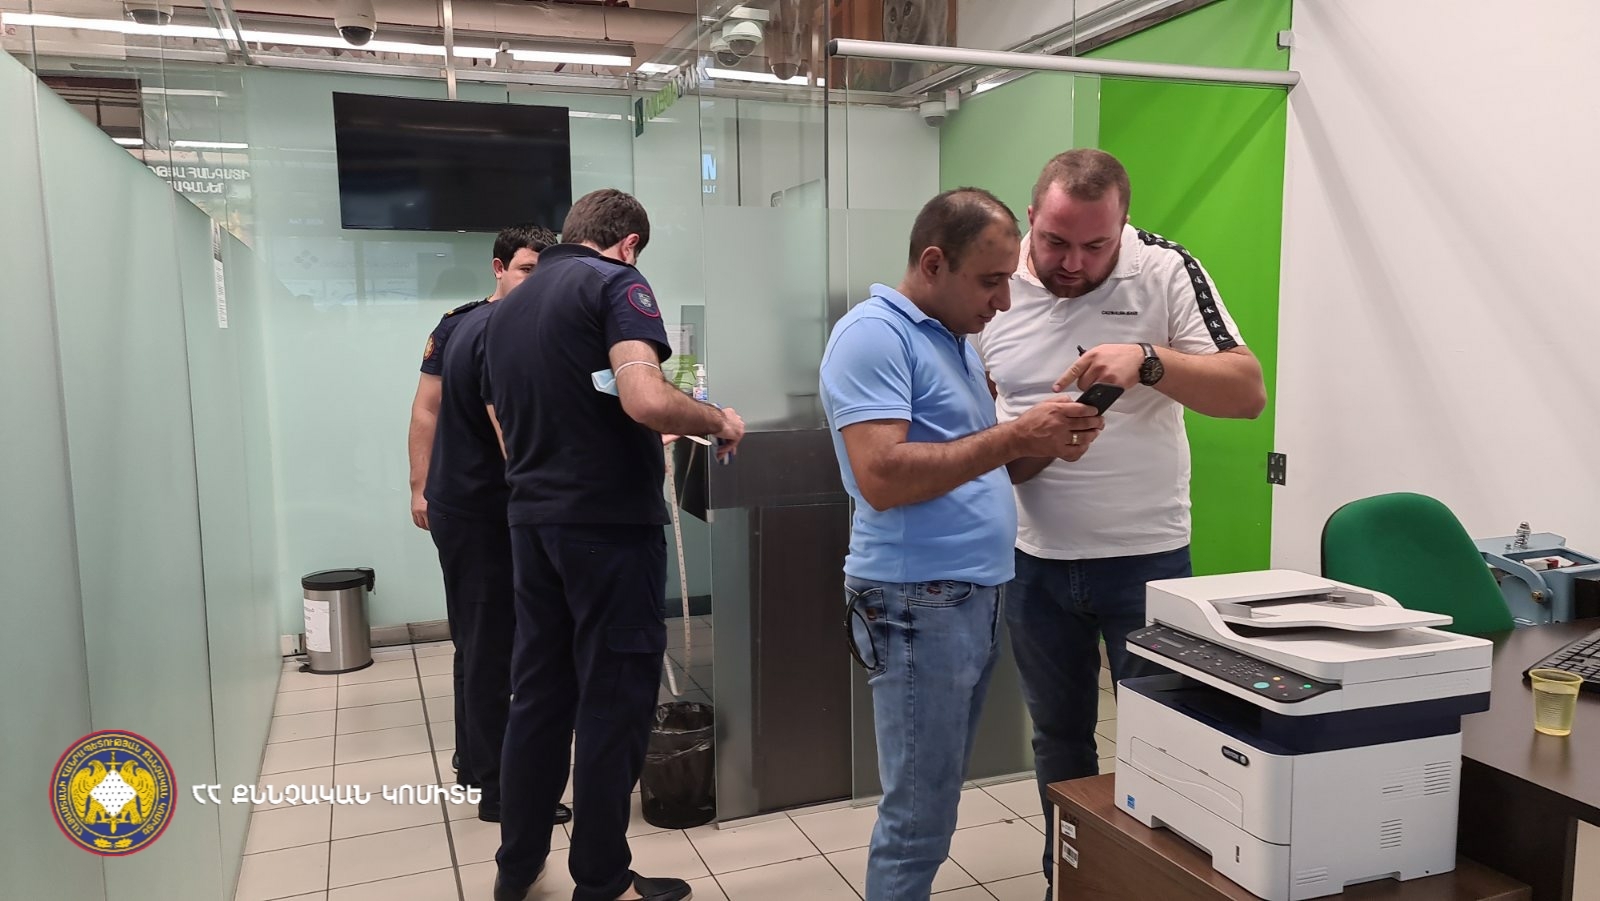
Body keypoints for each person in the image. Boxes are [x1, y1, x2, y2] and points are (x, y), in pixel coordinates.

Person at [973, 149, 1267, 891]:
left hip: (1145, 560)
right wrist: (1027, 444)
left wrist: (1149, 360)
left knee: (1164, 743)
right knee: (1058, 739)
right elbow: (972, 423)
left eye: (1095, 245)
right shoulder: (995, 282)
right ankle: (1067, 880)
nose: (1072, 263)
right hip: (1034, 561)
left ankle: (1146, 885)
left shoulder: (1164, 269)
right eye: (1055, 241)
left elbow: (1246, 391)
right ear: (1031, 218)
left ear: (1124, 227)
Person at [821, 187, 1105, 901]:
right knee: (919, 817)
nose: (1003, 301)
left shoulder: (951, 341)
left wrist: (1046, 442)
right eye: (989, 280)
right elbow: (882, 476)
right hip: (918, 599)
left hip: (968, 596)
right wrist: (1013, 434)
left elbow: (986, 465)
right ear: (933, 263)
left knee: (934, 805)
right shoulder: (873, 336)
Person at [483, 188, 745, 901]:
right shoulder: (617, 284)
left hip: (533, 525)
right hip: (608, 530)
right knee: (614, 700)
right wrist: (717, 420)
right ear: (628, 244)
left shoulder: (507, 310)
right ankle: (601, 880)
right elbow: (646, 397)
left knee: (539, 697)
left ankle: (517, 866)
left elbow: (533, 413)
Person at [405, 224, 565, 822]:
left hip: (467, 505)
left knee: (476, 642)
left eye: (544, 272)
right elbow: (456, 418)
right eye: (526, 269)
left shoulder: (472, 324)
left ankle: (474, 763)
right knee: (494, 647)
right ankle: (503, 792)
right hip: (481, 511)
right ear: (499, 268)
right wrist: (418, 485)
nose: (536, 282)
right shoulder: (483, 327)